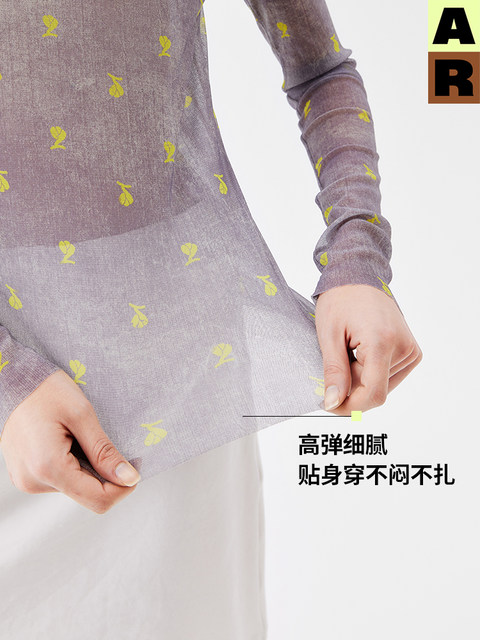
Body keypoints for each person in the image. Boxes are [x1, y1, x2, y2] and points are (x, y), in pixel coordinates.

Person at [0, 0, 421, 637]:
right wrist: (9, 380)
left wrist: (357, 259)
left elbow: (321, 70)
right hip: (20, 425)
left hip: (188, 391)